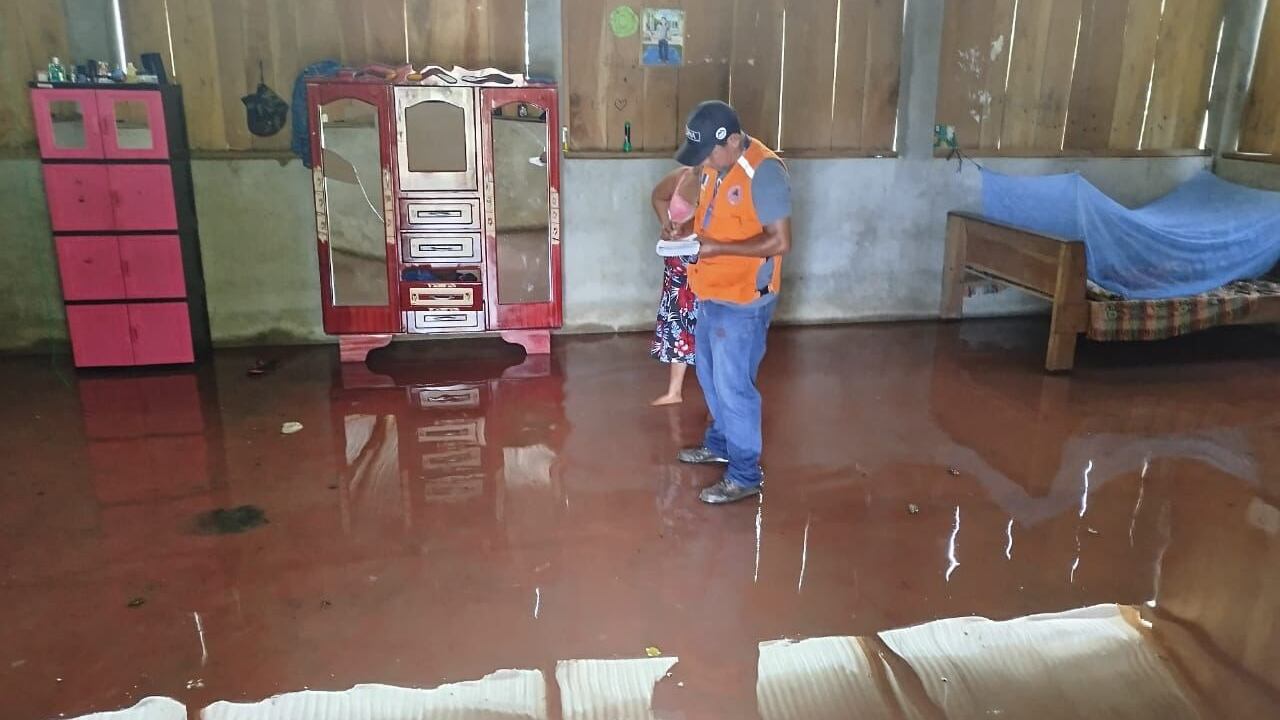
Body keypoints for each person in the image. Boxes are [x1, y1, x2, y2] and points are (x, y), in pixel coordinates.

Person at [668, 100, 791, 505]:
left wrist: (715, 246)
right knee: (708, 374)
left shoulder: (765, 172)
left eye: (708, 153)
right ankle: (720, 442)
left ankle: (744, 474)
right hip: (710, 289)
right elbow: (710, 216)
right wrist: (683, 230)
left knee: (734, 386)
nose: (703, 162)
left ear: (733, 140)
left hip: (743, 300)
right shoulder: (713, 167)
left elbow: (779, 241)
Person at [648, 166, 701, 406]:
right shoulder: (683, 175)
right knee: (677, 322)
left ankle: (716, 395)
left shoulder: (723, 180)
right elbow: (658, 196)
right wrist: (667, 224)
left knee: (709, 325)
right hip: (678, 263)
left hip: (708, 264)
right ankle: (674, 391)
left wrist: (688, 228)